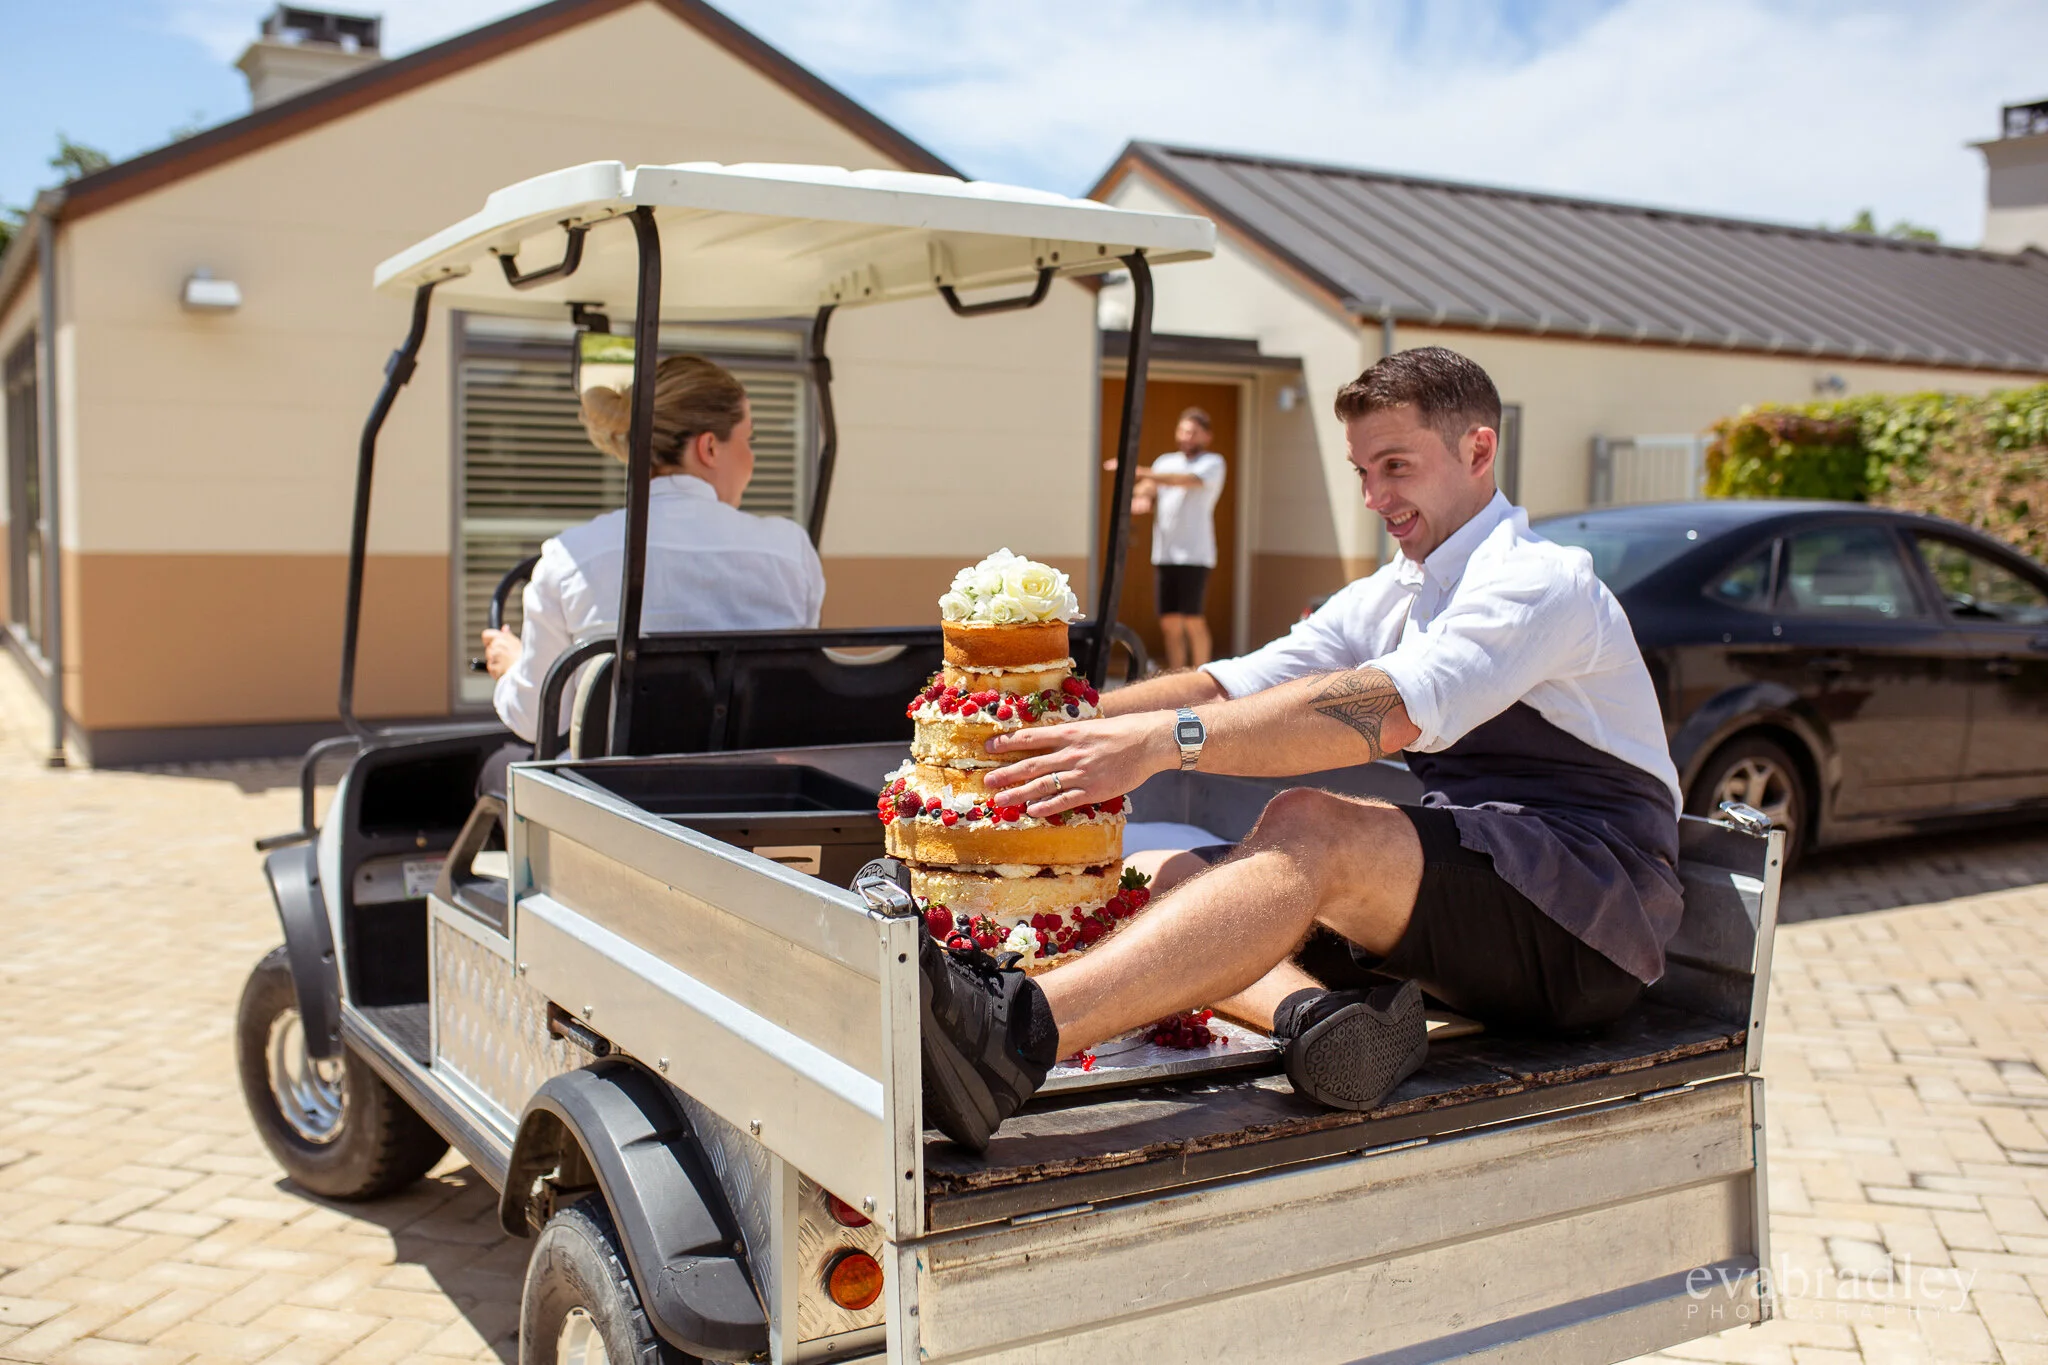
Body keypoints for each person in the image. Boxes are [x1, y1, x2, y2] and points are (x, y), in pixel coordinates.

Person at [917, 347, 1684, 1152]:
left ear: (1479, 450)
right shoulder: (1399, 590)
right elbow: (1226, 685)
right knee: (1162, 872)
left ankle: (1018, 1036)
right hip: (1491, 896)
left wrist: (1160, 744)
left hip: (1595, 920)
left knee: (1308, 826)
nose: (1375, 497)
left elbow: (1384, 710)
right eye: (1362, 471)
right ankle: (1322, 1022)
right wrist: (1036, 726)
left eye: (1395, 465)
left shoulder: (1539, 581)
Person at [478, 355, 823, 788]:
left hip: (618, 801)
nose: (751, 458)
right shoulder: (790, 551)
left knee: (495, 769)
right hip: (755, 793)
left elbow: (534, 720)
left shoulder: (571, 557)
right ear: (709, 447)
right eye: (748, 440)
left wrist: (511, 670)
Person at [1113, 408, 1227, 669]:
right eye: (1183, 430)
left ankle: (1201, 676)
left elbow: (1184, 480)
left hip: (1195, 555)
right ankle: (1178, 676)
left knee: (1192, 619)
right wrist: (1141, 494)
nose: (1187, 437)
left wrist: (1142, 471)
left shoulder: (1212, 463)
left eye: (1193, 432)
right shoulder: (1165, 462)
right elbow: (1150, 487)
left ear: (1206, 436)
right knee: (1170, 622)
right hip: (1165, 553)